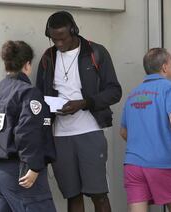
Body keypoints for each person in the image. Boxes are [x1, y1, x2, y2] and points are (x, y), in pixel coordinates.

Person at [36, 11, 122, 212]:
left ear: (74, 31)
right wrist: (50, 108)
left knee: (98, 194)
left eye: (62, 38)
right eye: (53, 39)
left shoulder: (95, 52)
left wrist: (84, 103)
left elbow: (114, 91)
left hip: (90, 131)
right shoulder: (48, 58)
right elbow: (39, 95)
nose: (58, 43)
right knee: (72, 195)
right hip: (59, 135)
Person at [0, 40, 57, 212]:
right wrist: (33, 167)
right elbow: (28, 132)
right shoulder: (28, 92)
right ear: (27, 65)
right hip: (21, 172)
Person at [119, 48, 171, 212]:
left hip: (133, 165)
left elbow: (123, 132)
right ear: (164, 67)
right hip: (163, 163)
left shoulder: (133, 94)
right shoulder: (170, 89)